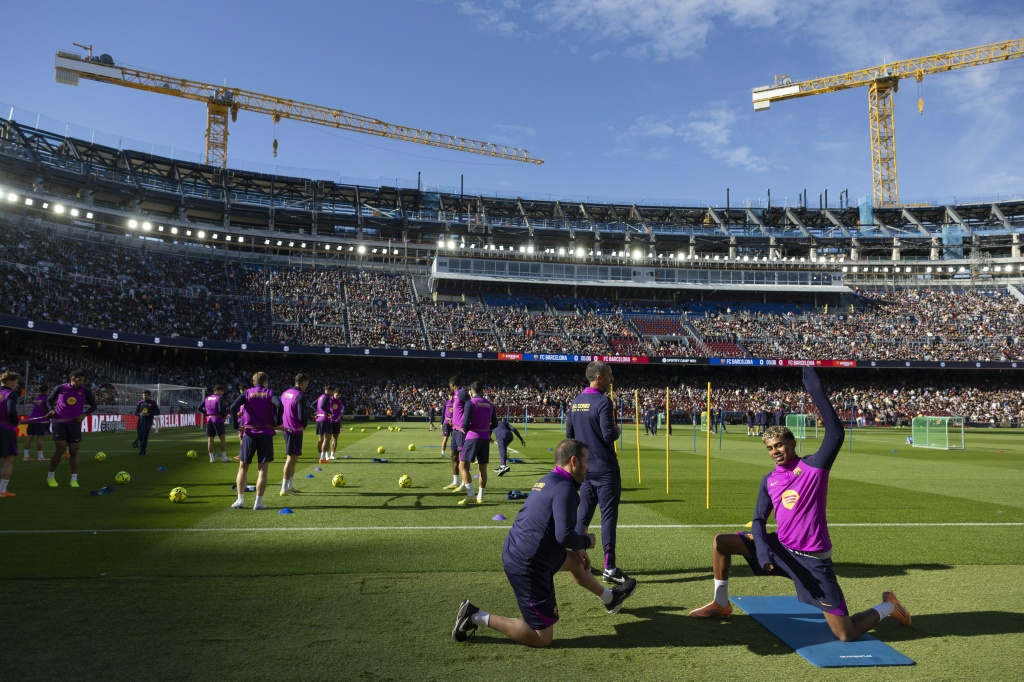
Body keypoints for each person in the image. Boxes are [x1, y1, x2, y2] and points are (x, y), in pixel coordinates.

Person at [688, 367, 912, 642]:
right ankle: (721, 603)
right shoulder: (769, 480)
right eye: (770, 448)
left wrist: (815, 391)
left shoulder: (813, 466)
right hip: (781, 549)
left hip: (813, 562)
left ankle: (890, 605)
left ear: (793, 443)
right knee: (721, 542)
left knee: (846, 634)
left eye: (780, 445)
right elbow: (758, 520)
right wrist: (762, 552)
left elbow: (836, 434)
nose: (775, 452)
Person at [452, 439, 637, 647]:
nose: (589, 467)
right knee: (542, 638)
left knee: (576, 563)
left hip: (524, 550)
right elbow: (563, 536)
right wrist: (587, 541)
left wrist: (578, 548)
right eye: (586, 461)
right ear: (574, 461)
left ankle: (609, 599)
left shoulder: (549, 480)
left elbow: (557, 528)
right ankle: (475, 616)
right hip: (528, 564)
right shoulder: (565, 489)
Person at [566, 361, 628, 585]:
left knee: (584, 514)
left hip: (585, 470)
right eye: (610, 374)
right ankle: (609, 567)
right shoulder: (603, 401)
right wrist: (617, 430)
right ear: (599, 377)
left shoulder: (575, 402)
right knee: (608, 517)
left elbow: (569, 437)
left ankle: (576, 558)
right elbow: (608, 434)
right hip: (605, 468)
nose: (613, 377)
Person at [229, 372, 282, 510]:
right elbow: (279, 405)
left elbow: (233, 407)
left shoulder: (247, 393)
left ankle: (240, 500)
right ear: (266, 381)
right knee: (262, 470)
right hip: (265, 433)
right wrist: (278, 421)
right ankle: (258, 503)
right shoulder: (269, 392)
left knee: (243, 468)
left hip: (249, 433)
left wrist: (235, 425)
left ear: (253, 382)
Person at [45, 370, 98, 488]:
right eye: (79, 379)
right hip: (60, 422)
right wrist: (51, 409)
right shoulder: (61, 388)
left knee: (74, 451)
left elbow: (94, 406)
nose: (82, 382)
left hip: (74, 424)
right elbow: (49, 400)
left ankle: (74, 479)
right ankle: (51, 476)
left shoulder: (85, 391)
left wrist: (84, 414)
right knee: (61, 449)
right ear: (72, 378)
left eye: (83, 380)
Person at [457, 381, 498, 505]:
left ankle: (470, 494)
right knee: (482, 468)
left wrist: (465, 428)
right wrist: (486, 429)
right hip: (485, 437)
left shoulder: (470, 403)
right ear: (483, 391)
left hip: (472, 437)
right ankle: (480, 496)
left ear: (471, 391)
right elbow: (495, 424)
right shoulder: (490, 405)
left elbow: (465, 424)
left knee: (462, 466)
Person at [279, 373, 310, 496]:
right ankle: (284, 488)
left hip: (286, 428)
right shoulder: (300, 396)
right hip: (295, 430)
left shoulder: (285, 393)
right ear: (303, 382)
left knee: (293, 459)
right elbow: (301, 415)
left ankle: (290, 485)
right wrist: (304, 424)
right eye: (306, 383)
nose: (307, 386)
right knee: (290, 459)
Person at [0, 371, 22, 498]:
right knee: (8, 461)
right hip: (6, 429)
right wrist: (15, 421)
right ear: (9, 382)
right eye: (16, 382)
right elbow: (11, 411)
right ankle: (2, 491)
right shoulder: (11, 394)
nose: (16, 385)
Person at [447, 377, 471, 493]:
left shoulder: (461, 393)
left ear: (452, 384)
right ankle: (455, 481)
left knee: (463, 457)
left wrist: (465, 422)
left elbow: (470, 405)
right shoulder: (456, 395)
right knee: (453, 455)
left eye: (449, 386)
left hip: (461, 430)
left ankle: (463, 483)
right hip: (454, 429)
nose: (449, 388)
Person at [22, 384, 50, 461]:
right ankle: (40, 456)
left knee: (29, 437)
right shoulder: (47, 399)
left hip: (32, 419)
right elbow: (48, 409)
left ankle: (25, 456)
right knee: (39, 437)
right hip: (40, 420)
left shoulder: (37, 398)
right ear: (47, 390)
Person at [204, 385, 231, 463]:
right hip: (218, 419)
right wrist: (224, 416)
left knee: (210, 439)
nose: (222, 393)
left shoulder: (207, 398)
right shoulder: (219, 398)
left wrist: (207, 414)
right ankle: (224, 457)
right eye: (222, 391)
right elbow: (220, 409)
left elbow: (200, 407)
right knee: (222, 438)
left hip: (209, 419)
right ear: (218, 390)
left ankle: (211, 459)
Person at [133, 390, 160, 457]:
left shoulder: (152, 403)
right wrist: (141, 414)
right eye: (144, 395)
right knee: (141, 437)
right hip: (140, 422)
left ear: (149, 396)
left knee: (145, 437)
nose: (144, 397)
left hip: (148, 422)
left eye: (146, 395)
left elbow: (157, 412)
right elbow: (136, 413)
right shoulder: (140, 403)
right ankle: (144, 450)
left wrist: (149, 414)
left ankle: (142, 451)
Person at [315, 385, 334, 463]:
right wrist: (329, 412)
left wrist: (317, 411)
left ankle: (320, 456)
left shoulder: (320, 397)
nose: (333, 393)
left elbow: (312, 405)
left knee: (320, 439)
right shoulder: (326, 397)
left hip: (319, 419)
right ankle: (322, 458)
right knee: (327, 439)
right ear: (328, 390)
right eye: (332, 391)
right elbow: (323, 406)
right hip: (325, 419)